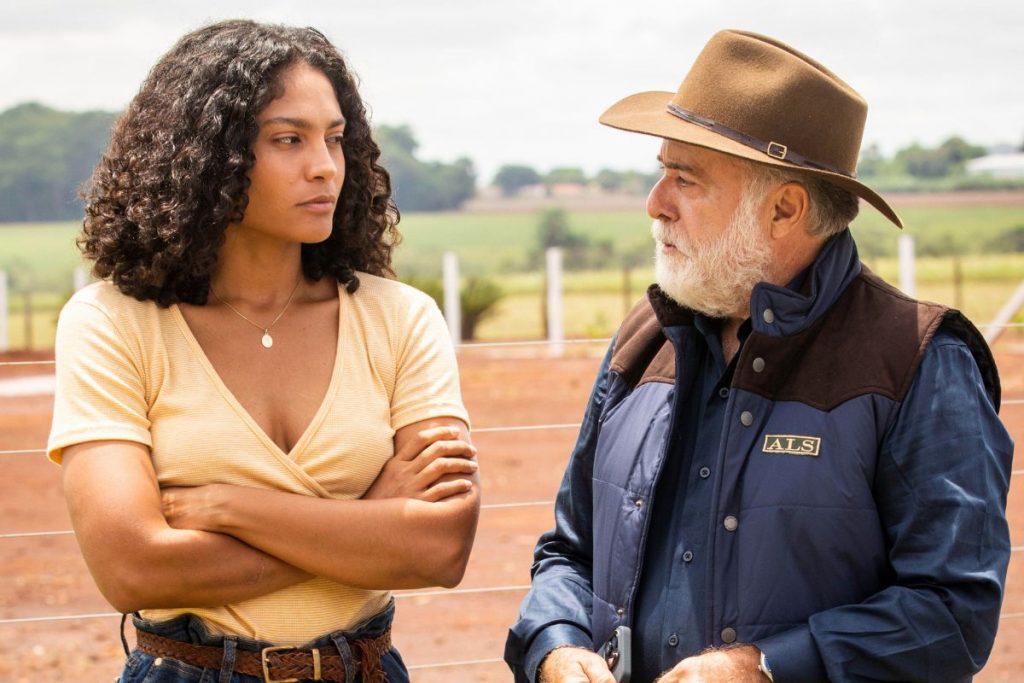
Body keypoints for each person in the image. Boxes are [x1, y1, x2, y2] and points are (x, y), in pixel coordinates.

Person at [505, 29, 1013, 683]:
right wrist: (556, 643)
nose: (655, 203)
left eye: (685, 179)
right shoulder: (644, 340)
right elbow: (570, 550)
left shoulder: (918, 364)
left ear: (784, 208)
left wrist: (767, 667)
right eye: (661, 172)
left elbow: (953, 612)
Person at [46, 20, 480, 683]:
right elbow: (130, 568)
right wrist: (365, 522)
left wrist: (231, 508)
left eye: (335, 139)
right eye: (289, 139)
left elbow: (441, 549)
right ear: (206, 155)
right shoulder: (112, 322)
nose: (324, 166)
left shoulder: (401, 318)